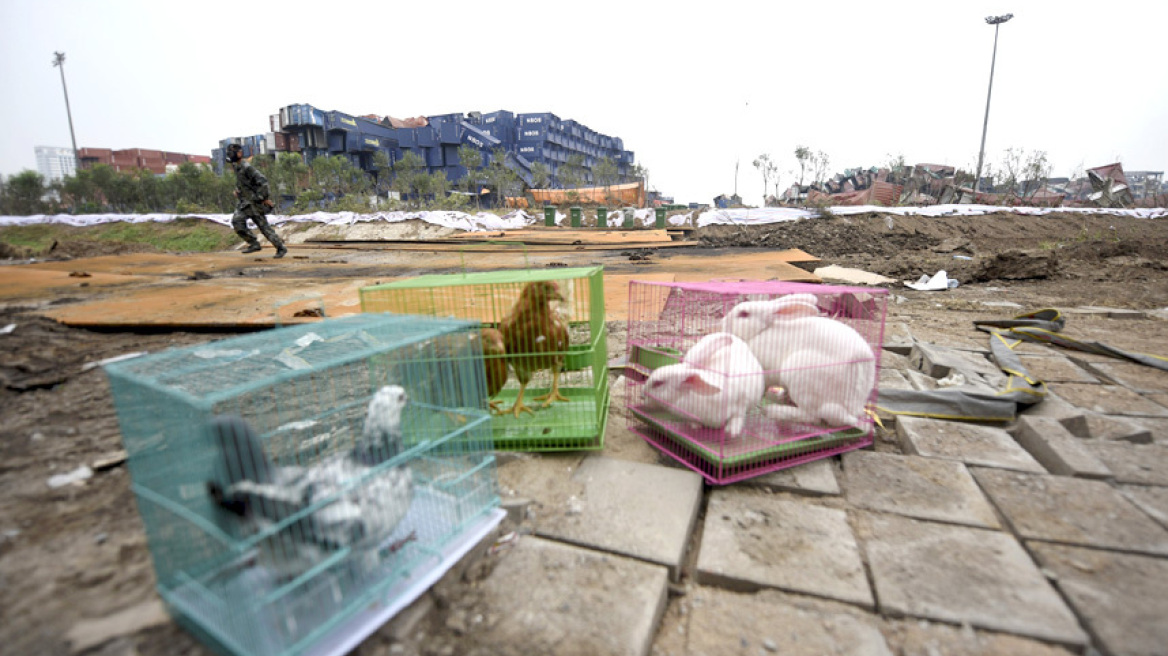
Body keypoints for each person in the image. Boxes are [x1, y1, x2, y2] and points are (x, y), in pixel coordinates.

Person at [226, 144, 286, 258]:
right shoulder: (236, 167)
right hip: (244, 202)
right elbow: (244, 183)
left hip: (254, 203)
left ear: (239, 153)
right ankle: (254, 243)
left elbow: (263, 182)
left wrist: (262, 198)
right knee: (237, 222)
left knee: (264, 227)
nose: (230, 155)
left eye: (232, 153)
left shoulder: (247, 167)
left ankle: (281, 248)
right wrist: (238, 191)